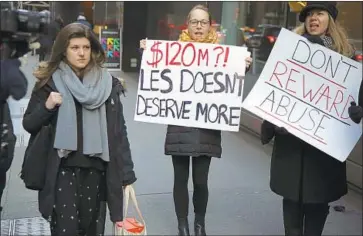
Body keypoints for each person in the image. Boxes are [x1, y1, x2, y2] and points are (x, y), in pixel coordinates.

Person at [140, 5, 252, 236]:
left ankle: (199, 224)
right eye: (194, 22)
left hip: (206, 127)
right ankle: (183, 226)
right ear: (187, 25)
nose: (199, 26)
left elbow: (229, 85)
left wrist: (244, 66)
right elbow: (158, 79)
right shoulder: (173, 52)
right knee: (180, 179)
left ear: (210, 25)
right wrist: (148, 55)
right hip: (180, 125)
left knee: (201, 181)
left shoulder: (222, 55)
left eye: (203, 22)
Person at [22, 23, 136, 235]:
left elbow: (119, 132)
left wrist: (127, 175)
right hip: (62, 169)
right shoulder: (49, 82)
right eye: (75, 47)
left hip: (97, 170)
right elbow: (29, 124)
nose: (82, 53)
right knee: (67, 230)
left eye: (86, 47)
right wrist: (47, 106)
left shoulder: (108, 84)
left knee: (92, 229)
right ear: (64, 50)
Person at [260, 2, 360, 235]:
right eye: (309, 14)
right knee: (292, 208)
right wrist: (274, 122)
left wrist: (358, 111)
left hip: (323, 154)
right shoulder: (288, 50)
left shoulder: (346, 57)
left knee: (317, 209)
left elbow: (356, 97)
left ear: (330, 20)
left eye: (319, 13)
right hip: (291, 148)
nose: (313, 18)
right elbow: (273, 92)